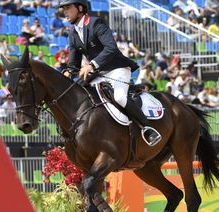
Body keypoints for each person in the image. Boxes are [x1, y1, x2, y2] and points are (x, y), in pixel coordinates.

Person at [59, 0, 161, 146]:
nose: (65, 11)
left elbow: (111, 48)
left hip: (116, 68)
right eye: (64, 9)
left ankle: (147, 128)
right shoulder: (73, 34)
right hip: (98, 73)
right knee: (78, 94)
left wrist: (92, 64)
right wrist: (68, 72)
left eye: (68, 7)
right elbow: (73, 64)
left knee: (119, 97)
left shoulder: (96, 23)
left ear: (80, 8)